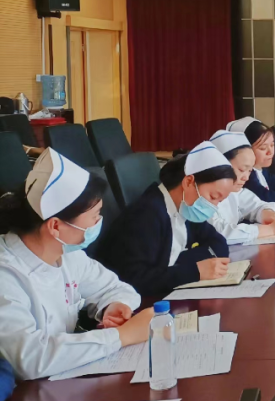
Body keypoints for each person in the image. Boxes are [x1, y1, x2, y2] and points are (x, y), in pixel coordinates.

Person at [0, 149, 150, 380]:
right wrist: (122, 336)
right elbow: (28, 359)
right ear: (55, 226)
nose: (98, 222)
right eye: (94, 216)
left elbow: (115, 288)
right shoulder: (6, 275)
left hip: (59, 379)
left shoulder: (69, 254)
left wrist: (114, 306)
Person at [97, 142, 234, 296]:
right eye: (213, 197)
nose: (214, 206)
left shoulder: (186, 208)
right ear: (188, 182)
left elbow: (219, 244)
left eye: (219, 201)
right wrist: (193, 271)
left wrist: (177, 262)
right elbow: (134, 279)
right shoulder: (147, 214)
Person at [206, 130, 275, 245]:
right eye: (241, 170)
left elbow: (257, 204)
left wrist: (268, 214)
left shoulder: (235, 192)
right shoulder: (202, 196)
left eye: (249, 171)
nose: (246, 177)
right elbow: (219, 232)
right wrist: (270, 229)